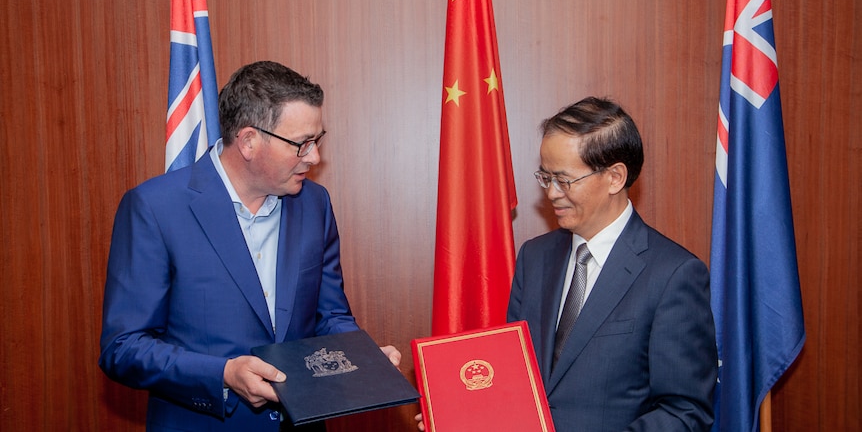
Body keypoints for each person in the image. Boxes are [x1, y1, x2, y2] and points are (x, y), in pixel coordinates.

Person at [99, 61, 400, 431]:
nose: (314, 157)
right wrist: (223, 374)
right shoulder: (155, 209)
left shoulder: (314, 204)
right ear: (248, 142)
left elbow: (329, 314)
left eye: (316, 140)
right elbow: (123, 348)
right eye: (301, 144)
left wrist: (363, 359)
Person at [416, 96, 717, 431]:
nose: (552, 193)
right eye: (545, 177)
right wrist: (458, 412)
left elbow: (684, 412)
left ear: (615, 177)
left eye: (564, 180)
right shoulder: (535, 257)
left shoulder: (673, 274)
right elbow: (513, 378)